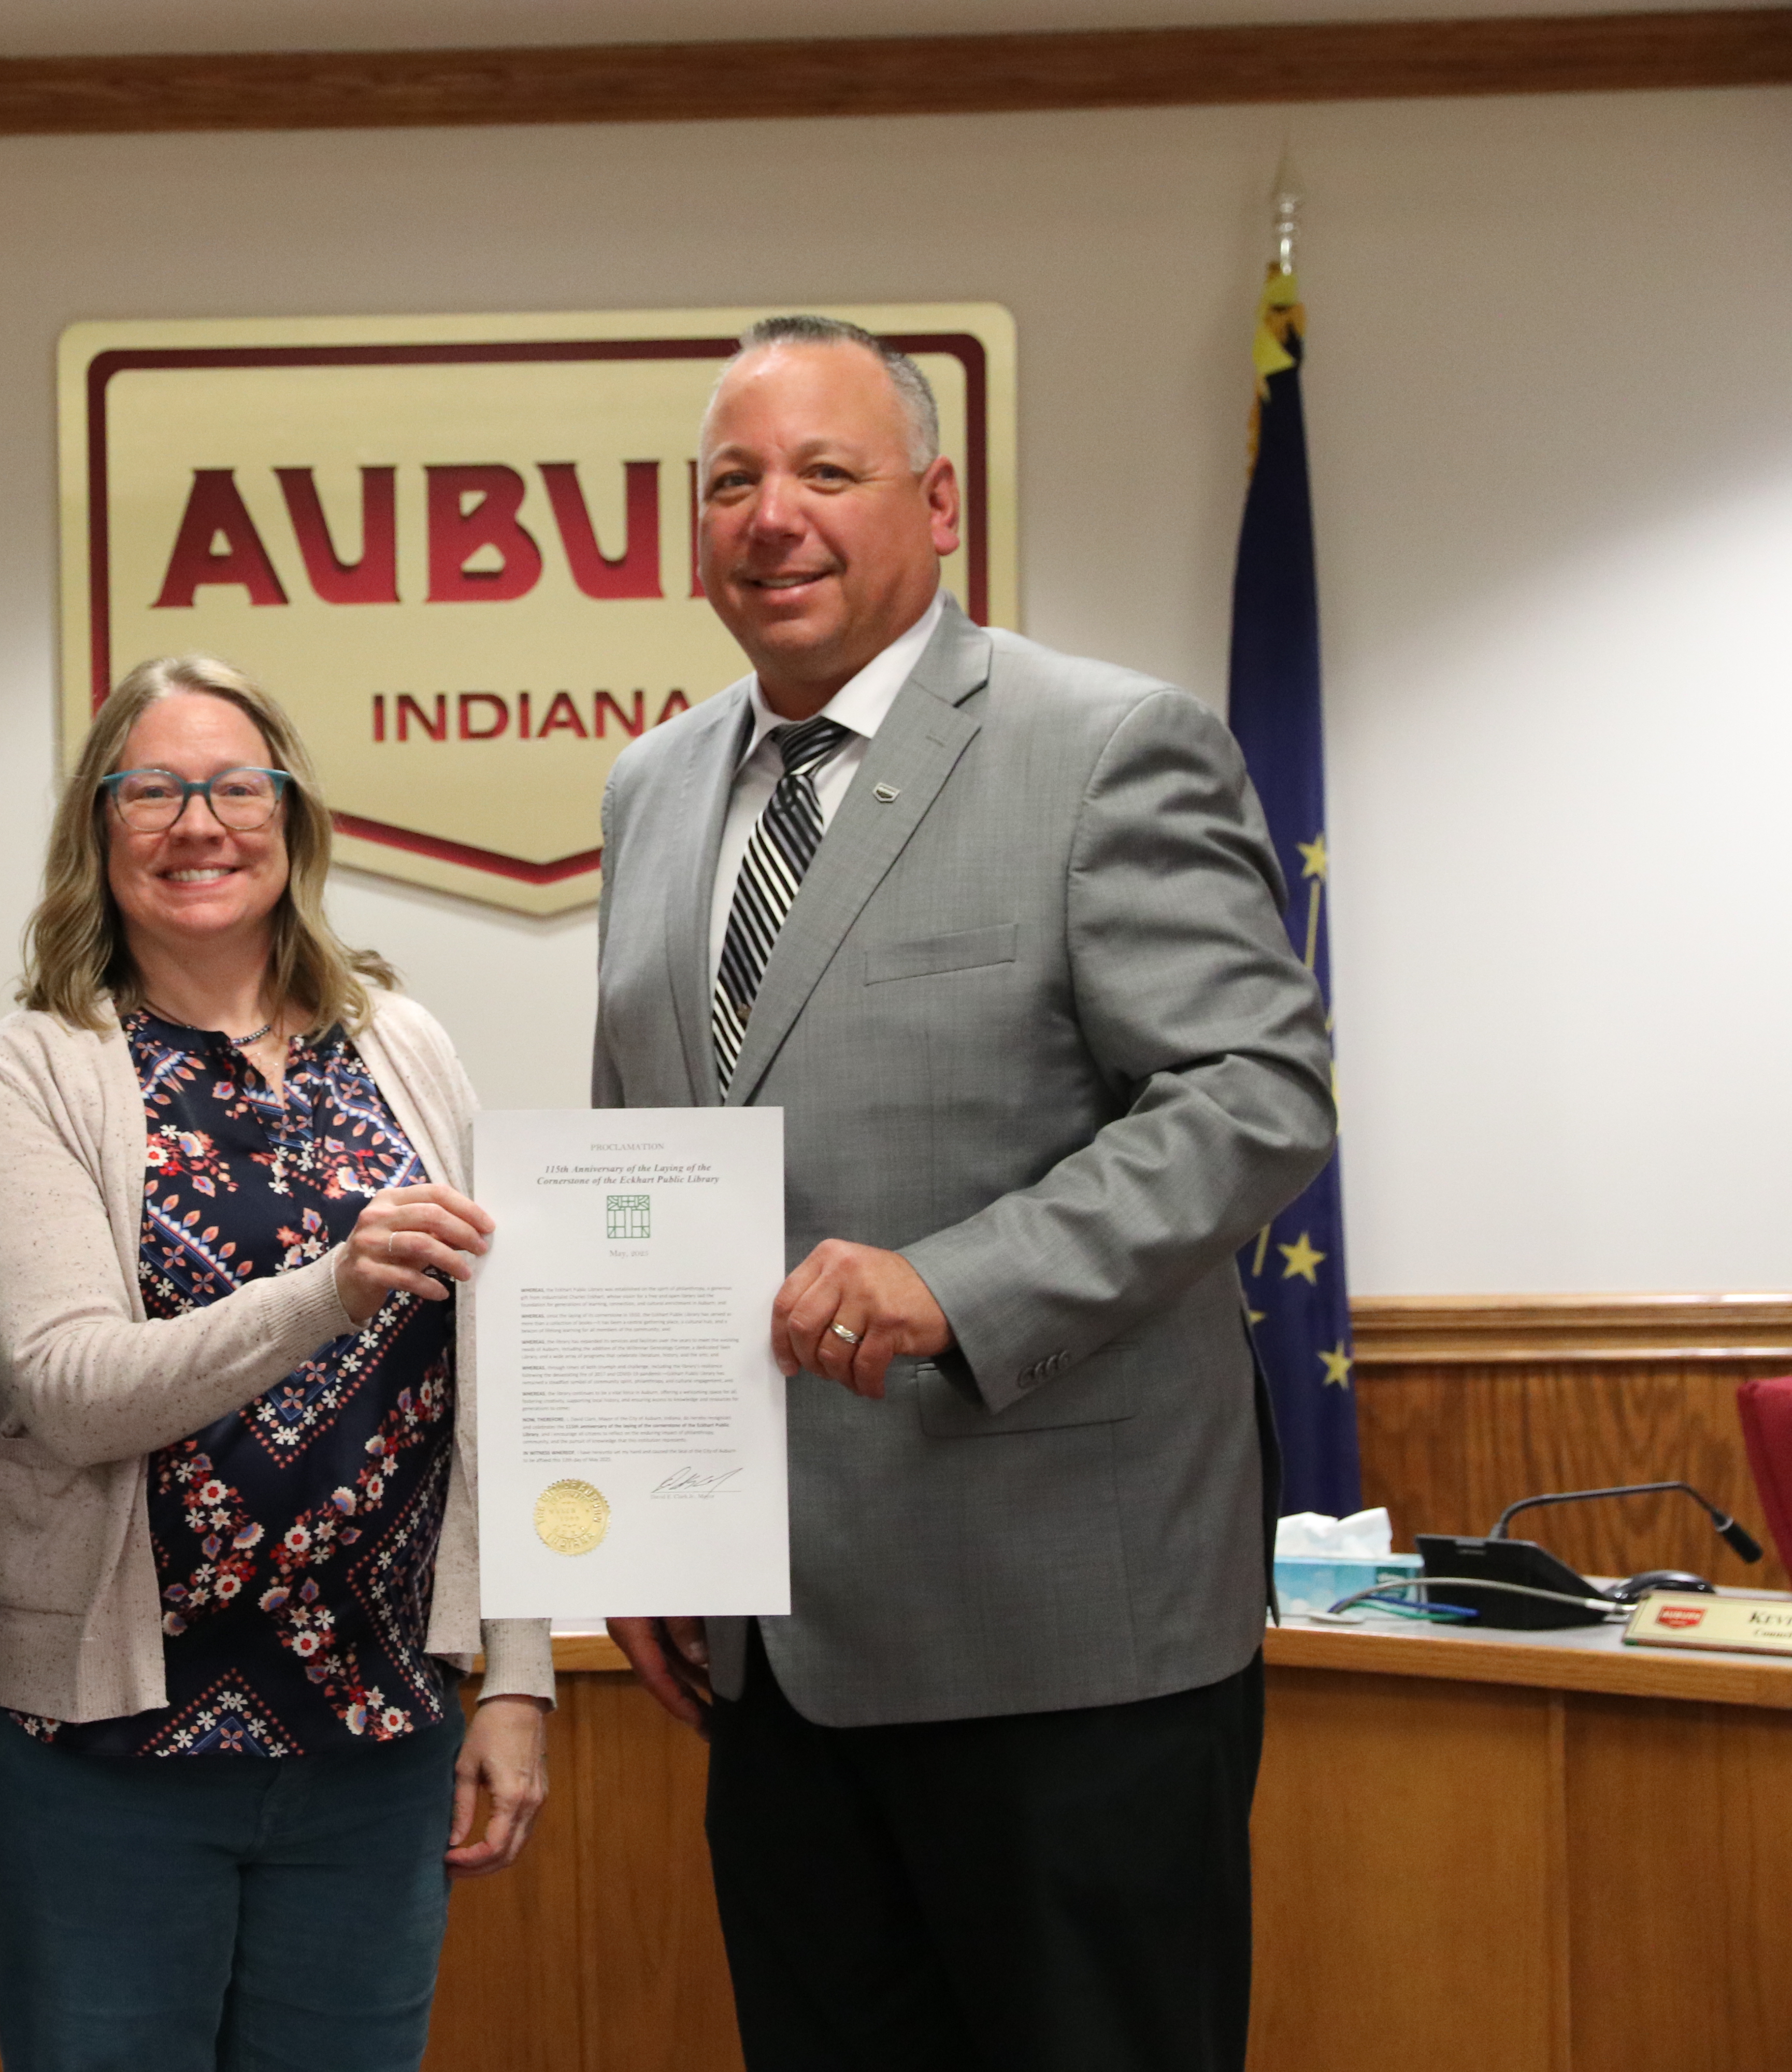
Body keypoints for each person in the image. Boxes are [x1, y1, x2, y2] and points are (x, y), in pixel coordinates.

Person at [595, 318, 1336, 2071]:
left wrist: (964, 1282)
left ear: (938, 505)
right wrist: (637, 1515)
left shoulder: (1104, 747)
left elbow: (1255, 1089)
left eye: (826, 473)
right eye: (731, 482)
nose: (773, 517)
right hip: (772, 1656)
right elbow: (655, 1159)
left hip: (1067, 1643)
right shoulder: (651, 790)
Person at [0, 654, 552, 2072]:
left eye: (233, 786)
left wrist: (515, 1676)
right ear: (98, 833)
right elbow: (73, 1390)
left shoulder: (404, 1046)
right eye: (150, 789)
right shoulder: (31, 1070)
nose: (196, 822)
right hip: (100, 1759)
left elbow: (497, 1379)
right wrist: (326, 1291)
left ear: (294, 819)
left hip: (374, 1741)